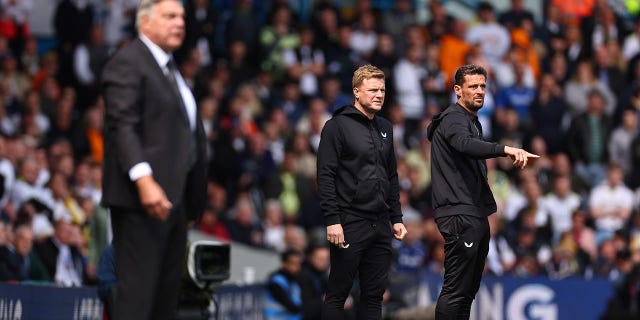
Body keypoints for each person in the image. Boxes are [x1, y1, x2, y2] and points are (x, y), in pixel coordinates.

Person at [100, 0, 207, 319]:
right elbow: (122, 126)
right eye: (170, 16)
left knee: (164, 302)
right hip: (141, 201)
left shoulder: (171, 70)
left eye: (182, 17)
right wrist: (144, 181)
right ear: (144, 22)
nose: (180, 22)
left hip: (174, 203)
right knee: (137, 299)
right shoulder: (129, 61)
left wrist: (190, 201)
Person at [426, 64, 538, 319]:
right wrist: (504, 149)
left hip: (472, 213)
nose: (479, 91)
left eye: (483, 86)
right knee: (456, 289)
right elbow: (464, 144)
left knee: (467, 290)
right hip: (459, 213)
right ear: (457, 90)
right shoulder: (454, 118)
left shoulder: (470, 121)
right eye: (473, 86)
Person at [317, 64, 407, 319]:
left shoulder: (386, 127)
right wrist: (333, 220)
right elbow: (325, 175)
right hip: (349, 220)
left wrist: (396, 218)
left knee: (374, 295)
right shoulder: (336, 126)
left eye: (382, 90)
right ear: (357, 92)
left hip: (380, 223)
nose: (379, 95)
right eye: (373, 90)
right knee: (338, 293)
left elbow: (391, 175)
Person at [264, 248, 304, 320]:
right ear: (284, 264)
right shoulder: (276, 282)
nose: (297, 267)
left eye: (299, 264)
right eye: (293, 264)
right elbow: (292, 307)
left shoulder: (294, 280)